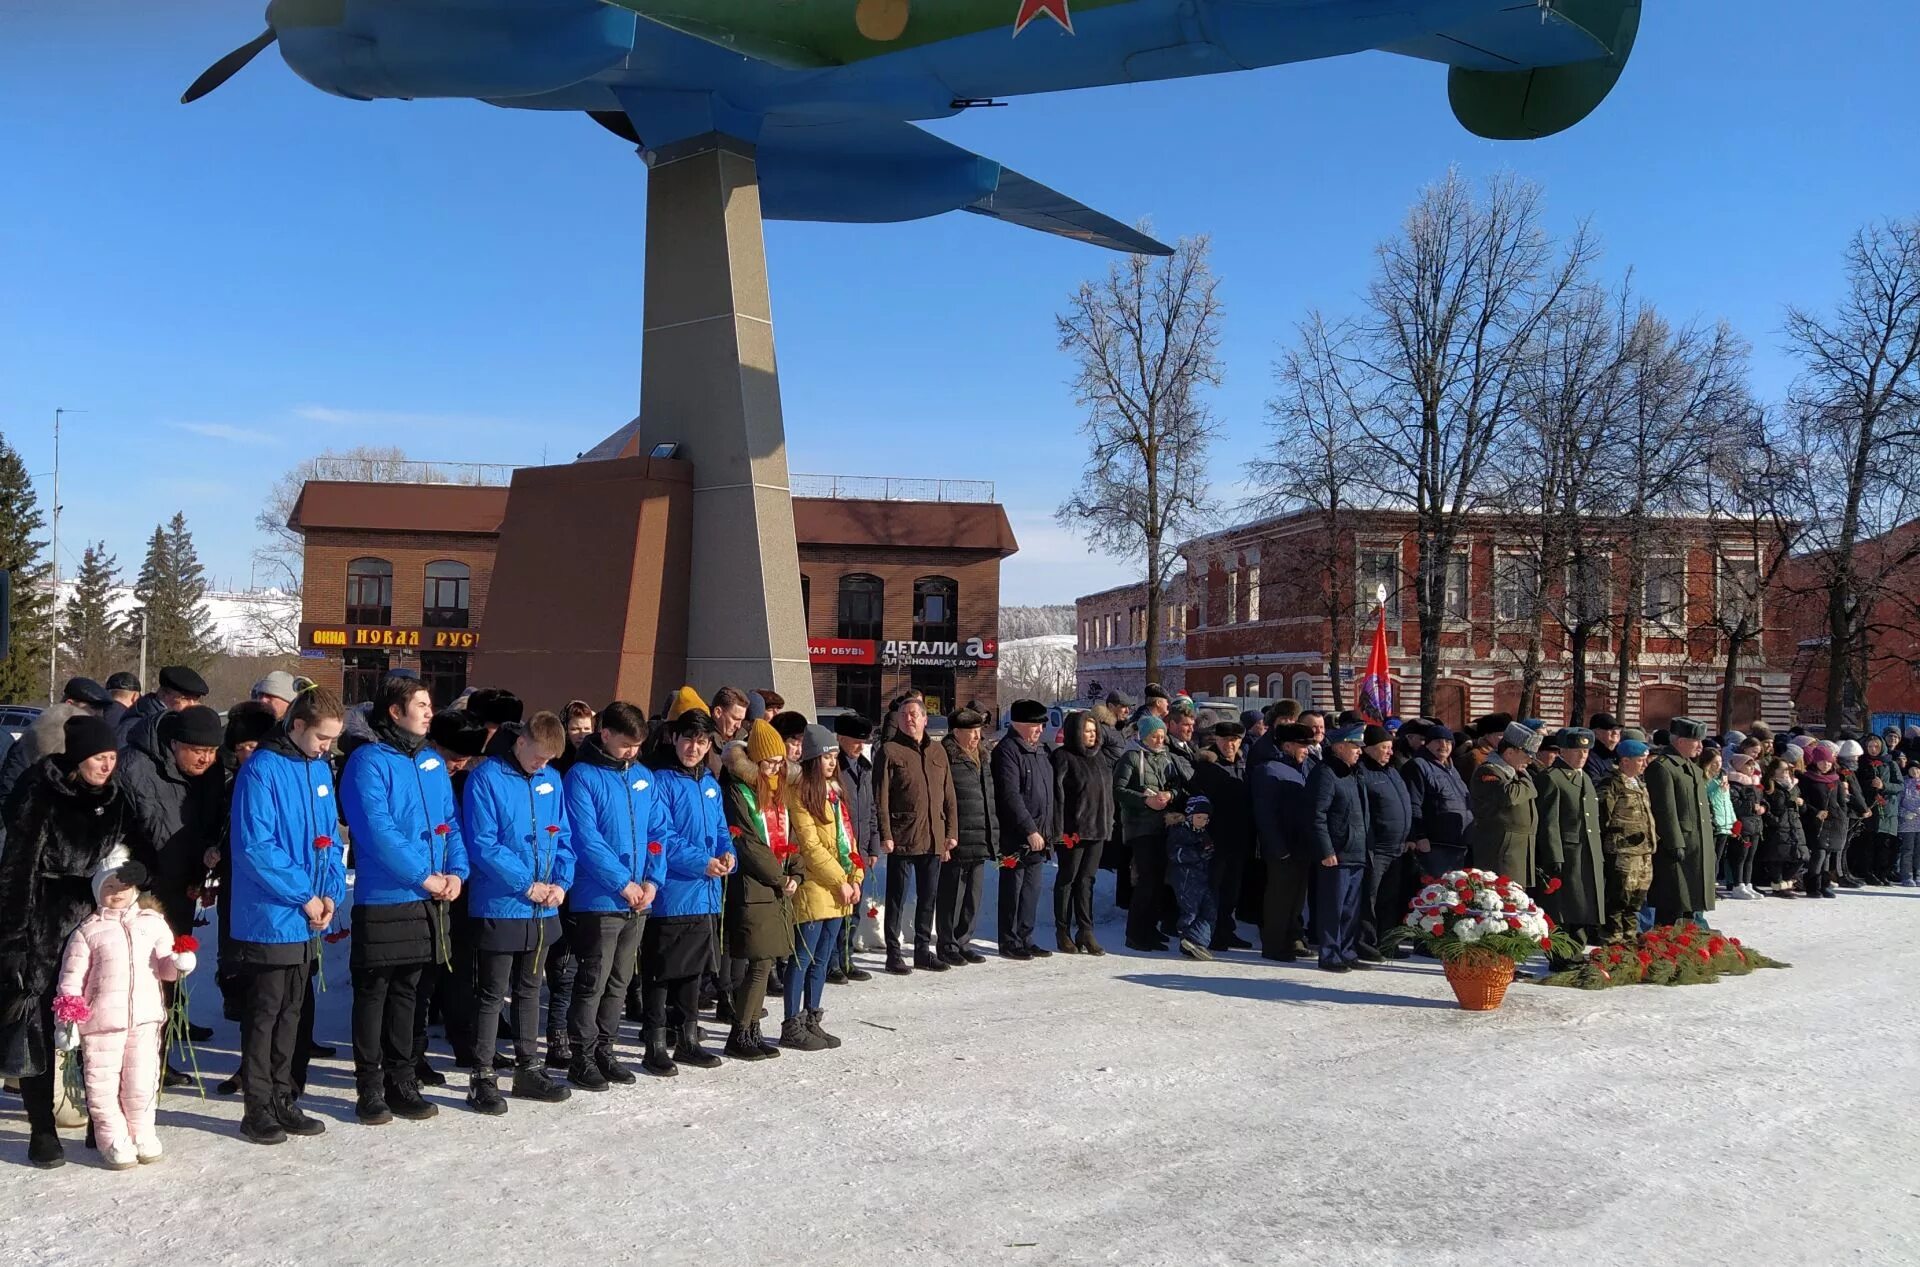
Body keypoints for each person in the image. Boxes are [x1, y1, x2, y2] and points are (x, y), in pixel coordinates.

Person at [0, 715, 139, 1168]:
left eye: (112, 758)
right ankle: (42, 1129)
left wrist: (137, 874)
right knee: (42, 1024)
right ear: (77, 759)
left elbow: (135, 849)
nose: (106, 766)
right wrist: (14, 941)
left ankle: (101, 1122)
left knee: (96, 1026)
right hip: (44, 918)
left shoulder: (116, 798)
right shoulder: (42, 792)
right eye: (99, 758)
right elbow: (16, 868)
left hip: (97, 920)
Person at [339, 675, 468, 1126]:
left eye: (430, 703)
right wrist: (425, 876)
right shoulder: (368, 762)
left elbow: (450, 823)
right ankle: (369, 1087)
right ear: (395, 712)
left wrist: (456, 871)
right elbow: (377, 831)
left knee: (409, 993)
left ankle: (402, 1078)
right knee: (375, 993)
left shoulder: (431, 761)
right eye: (421, 704)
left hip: (428, 898)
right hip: (385, 897)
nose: (430, 711)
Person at [227, 686, 348, 1146]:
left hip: (308, 914)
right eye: (321, 737)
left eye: (333, 740)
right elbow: (257, 846)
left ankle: (284, 1095)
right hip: (271, 915)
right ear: (296, 726)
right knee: (266, 1013)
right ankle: (257, 1105)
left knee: (293, 1012)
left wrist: (331, 893)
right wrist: (303, 894)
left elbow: (329, 840)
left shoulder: (317, 768)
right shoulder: (262, 770)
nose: (327, 747)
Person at [462, 710, 575, 1114]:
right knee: (493, 993)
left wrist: (561, 882)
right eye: (539, 756)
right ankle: (482, 1075)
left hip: (543, 906)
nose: (542, 765)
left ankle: (529, 1067)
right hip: (502, 901)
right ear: (522, 741)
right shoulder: (487, 777)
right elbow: (484, 843)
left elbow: (563, 835)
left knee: (530, 989)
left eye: (549, 760)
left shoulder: (551, 780)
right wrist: (525, 883)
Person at [52, 857, 195, 1169]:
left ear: (135, 888)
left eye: (122, 886)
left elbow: (166, 967)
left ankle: (142, 1131)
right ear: (97, 891)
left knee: (141, 1081)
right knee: (102, 1084)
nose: (116, 892)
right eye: (108, 887)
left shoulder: (152, 922)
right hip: (102, 1023)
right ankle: (112, 1136)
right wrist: (68, 1019)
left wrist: (180, 963)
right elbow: (71, 979)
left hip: (144, 1019)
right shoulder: (87, 932)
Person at [119, 702, 226, 1077]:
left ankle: (159, 1060)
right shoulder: (134, 766)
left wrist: (205, 869)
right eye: (198, 751)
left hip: (182, 887)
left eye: (212, 752)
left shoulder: (209, 774)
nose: (206, 759)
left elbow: (208, 825)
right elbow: (119, 829)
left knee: (171, 971)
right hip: (140, 891)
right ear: (175, 744)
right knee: (138, 981)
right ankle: (131, 1064)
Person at [559, 701, 660, 1087]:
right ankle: (581, 1055)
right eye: (625, 744)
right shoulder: (581, 777)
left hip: (638, 899)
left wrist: (652, 879)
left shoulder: (643, 777)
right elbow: (586, 840)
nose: (632, 752)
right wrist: (623, 882)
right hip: (599, 898)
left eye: (637, 745)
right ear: (605, 735)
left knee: (620, 979)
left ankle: (606, 1047)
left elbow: (657, 833)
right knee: (594, 980)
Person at [640, 707, 734, 1076]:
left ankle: (688, 1038)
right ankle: (655, 1043)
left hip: (705, 893)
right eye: (688, 739)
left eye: (701, 741)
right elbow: (663, 837)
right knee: (663, 971)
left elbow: (722, 828)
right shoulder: (660, 780)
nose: (694, 747)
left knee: (693, 971)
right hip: (672, 892)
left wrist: (728, 855)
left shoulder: (710, 782)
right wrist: (702, 862)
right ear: (674, 739)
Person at [412, 708, 490, 1084]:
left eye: (465, 758)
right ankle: (414, 1051)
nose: (458, 765)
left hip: (459, 885)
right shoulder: (419, 774)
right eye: (452, 757)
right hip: (419, 884)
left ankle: (465, 1039)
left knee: (460, 965)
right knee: (422, 976)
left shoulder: (467, 781)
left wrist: (458, 873)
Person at [784, 725, 862, 1053]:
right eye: (826, 757)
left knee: (823, 958)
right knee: (803, 957)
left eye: (834, 757)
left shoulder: (836, 794)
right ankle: (792, 1022)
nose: (832, 763)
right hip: (816, 888)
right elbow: (811, 846)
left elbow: (847, 839)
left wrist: (856, 876)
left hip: (839, 889)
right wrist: (840, 881)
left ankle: (813, 1018)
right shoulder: (801, 794)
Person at [719, 720, 795, 1058]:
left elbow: (789, 834)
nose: (776, 768)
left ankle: (750, 1027)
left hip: (775, 886)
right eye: (770, 762)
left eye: (780, 762)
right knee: (759, 962)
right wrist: (778, 877)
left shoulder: (778, 790)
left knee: (764, 963)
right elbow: (748, 842)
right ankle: (740, 1031)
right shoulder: (739, 788)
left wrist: (796, 871)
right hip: (753, 886)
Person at [874, 693, 956, 976]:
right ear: (897, 720)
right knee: (896, 897)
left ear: (925, 719)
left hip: (933, 836)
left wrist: (951, 833)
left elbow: (949, 796)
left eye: (914, 714)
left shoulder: (938, 752)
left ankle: (923, 950)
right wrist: (885, 833)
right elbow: (880, 797)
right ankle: (893, 953)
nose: (909, 719)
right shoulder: (889, 751)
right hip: (902, 836)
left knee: (928, 897)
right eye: (904, 715)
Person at [1115, 715, 1185, 953]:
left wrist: (1170, 795)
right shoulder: (1132, 757)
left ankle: (1150, 928)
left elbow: (1177, 784)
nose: (1158, 739)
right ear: (1142, 736)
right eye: (1154, 736)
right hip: (1140, 827)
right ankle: (1135, 932)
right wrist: (1146, 800)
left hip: (1162, 825)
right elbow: (1119, 790)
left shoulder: (1166, 757)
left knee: (1158, 881)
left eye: (1162, 736)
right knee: (1146, 880)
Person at [1534, 728, 1607, 959]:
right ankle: (1560, 955)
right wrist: (1554, 855)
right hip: (1567, 853)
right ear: (1563, 750)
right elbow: (1549, 822)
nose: (1582, 755)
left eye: (1585, 750)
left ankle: (1576, 950)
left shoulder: (1583, 777)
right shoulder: (1552, 778)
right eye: (1576, 750)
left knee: (1582, 905)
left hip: (1587, 851)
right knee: (1563, 907)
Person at [994, 699, 1056, 961]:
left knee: (1031, 889)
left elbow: (1048, 793)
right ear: (1019, 724)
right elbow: (1010, 796)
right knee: (1012, 888)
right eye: (1035, 725)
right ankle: (1009, 940)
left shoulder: (1040, 751)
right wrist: (1029, 829)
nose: (1040, 730)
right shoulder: (1007, 751)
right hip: (1015, 836)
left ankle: (1026, 936)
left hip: (1040, 835)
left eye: (1042, 725)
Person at [1307, 721, 1370, 973]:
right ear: (1341, 747)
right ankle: (1330, 954)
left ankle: (1347, 950)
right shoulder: (1326, 773)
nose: (1360, 751)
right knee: (1333, 906)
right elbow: (1317, 815)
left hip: (1357, 850)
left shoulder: (1353, 773)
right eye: (1356, 745)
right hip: (1337, 853)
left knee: (1351, 908)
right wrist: (1326, 850)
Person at [1249, 722, 1315, 961]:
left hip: (1301, 846)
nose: (1306, 750)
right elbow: (1265, 816)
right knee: (1279, 898)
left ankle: (1291, 938)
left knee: (1296, 898)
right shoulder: (1268, 770)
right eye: (1302, 746)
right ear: (1287, 746)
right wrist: (1278, 848)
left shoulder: (1302, 769)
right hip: (1282, 848)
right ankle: (1274, 945)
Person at [937, 706, 995, 967]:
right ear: (956, 732)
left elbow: (989, 798)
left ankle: (964, 941)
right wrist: (945, 836)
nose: (976, 736)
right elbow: (940, 801)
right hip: (957, 837)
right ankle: (947, 943)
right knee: (952, 895)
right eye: (971, 732)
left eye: (978, 731)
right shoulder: (946, 757)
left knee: (973, 895)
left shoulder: (982, 756)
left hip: (980, 835)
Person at [1188, 721, 1253, 952]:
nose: (1230, 744)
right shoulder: (1206, 767)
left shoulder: (1243, 765)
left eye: (1235, 740)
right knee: (1213, 888)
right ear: (1217, 740)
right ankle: (1211, 933)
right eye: (1226, 740)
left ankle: (1226, 929)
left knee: (1232, 889)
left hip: (1238, 838)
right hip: (1215, 838)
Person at [1051, 710, 1112, 956]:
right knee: (1067, 879)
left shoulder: (1100, 758)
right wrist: (1058, 831)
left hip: (1097, 829)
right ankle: (1062, 931)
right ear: (1076, 732)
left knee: (1087, 880)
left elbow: (1106, 794)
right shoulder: (1062, 757)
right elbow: (1057, 798)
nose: (1091, 735)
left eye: (1094, 731)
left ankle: (1085, 930)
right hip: (1072, 831)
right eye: (1087, 731)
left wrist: (1110, 820)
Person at [1645, 718, 1717, 925]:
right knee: (1673, 903)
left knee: (1690, 903)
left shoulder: (1691, 768)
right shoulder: (1663, 767)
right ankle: (1669, 947)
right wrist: (1674, 842)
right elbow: (1665, 810)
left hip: (1696, 844)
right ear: (1680, 741)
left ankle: (1687, 945)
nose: (1701, 747)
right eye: (1696, 741)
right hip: (1678, 847)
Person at [0, 676, 108, 808]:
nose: (98, 716)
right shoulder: (34, 741)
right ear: (69, 704)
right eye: (92, 708)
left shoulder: (92, 744)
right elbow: (10, 795)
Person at [1354, 724, 1412, 963]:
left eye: (1391, 747)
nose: (1390, 752)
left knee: (1389, 898)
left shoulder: (1392, 771)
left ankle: (1387, 942)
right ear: (1367, 749)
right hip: (1375, 848)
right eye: (1384, 747)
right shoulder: (1362, 773)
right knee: (1370, 898)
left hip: (1397, 847)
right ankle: (1365, 943)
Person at [830, 714, 879, 982]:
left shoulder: (865, 768)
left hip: (858, 848)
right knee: (838, 908)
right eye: (856, 741)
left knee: (855, 909)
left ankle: (847, 958)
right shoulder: (834, 767)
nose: (861, 746)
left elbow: (871, 809)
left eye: (864, 741)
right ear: (841, 738)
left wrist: (873, 846)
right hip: (839, 847)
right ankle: (832, 963)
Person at [1596, 738, 1657, 942]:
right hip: (1623, 851)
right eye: (1641, 760)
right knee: (1619, 897)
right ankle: (1613, 937)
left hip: (1643, 850)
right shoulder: (1612, 783)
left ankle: (1629, 936)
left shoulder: (1639, 783)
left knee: (1636, 898)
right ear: (1625, 761)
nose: (1645, 765)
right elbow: (1603, 816)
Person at [1468, 723, 1541, 885]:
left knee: (1517, 901)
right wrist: (1528, 784)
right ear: (1509, 752)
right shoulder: (1488, 771)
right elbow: (1509, 796)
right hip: (1501, 851)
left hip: (1518, 849)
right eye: (1526, 754)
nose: (1530, 760)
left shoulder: (1515, 774)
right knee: (1503, 898)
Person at [1402, 723, 1473, 882]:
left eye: (1448, 742)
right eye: (1438, 741)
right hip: (1434, 845)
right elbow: (1413, 803)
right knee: (1435, 894)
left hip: (1458, 845)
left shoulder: (1452, 769)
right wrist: (1419, 836)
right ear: (1427, 743)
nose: (1444, 746)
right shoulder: (1418, 765)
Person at [1166, 794, 1216, 960]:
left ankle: (1199, 941)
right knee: (1190, 910)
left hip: (1201, 878)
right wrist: (1198, 854)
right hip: (1185, 878)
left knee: (1209, 908)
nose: (1202, 821)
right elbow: (1176, 854)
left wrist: (1208, 852)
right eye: (1199, 817)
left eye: (1206, 819)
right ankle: (1187, 939)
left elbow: (1206, 852)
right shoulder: (1180, 831)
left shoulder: (1203, 833)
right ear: (1190, 815)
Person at [114, 665, 210, 751]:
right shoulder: (134, 727)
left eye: (196, 700)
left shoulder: (179, 725)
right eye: (186, 699)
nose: (192, 705)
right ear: (165, 695)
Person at [1797, 742, 1847, 901]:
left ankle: (1824, 884)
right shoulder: (1807, 779)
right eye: (1822, 761)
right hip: (1815, 821)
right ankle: (1812, 885)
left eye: (1828, 761)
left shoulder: (1836, 779)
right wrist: (1815, 812)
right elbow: (1804, 801)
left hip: (1834, 821)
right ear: (1815, 761)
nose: (1825, 765)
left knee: (1827, 854)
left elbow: (1841, 801)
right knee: (1819, 853)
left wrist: (1841, 814)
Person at [1760, 756, 1808, 897]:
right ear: (1774, 771)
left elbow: (1802, 810)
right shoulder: (1770, 786)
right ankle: (1778, 884)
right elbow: (1767, 806)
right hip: (1778, 827)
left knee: (1802, 856)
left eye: (1787, 769)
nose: (1786, 772)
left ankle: (1786, 881)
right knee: (1777, 857)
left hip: (1794, 825)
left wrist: (1802, 804)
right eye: (1782, 769)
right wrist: (1774, 821)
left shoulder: (1794, 786)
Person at [1724, 752, 1765, 899]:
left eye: (1753, 765)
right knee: (1740, 856)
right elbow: (1735, 804)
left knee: (1750, 857)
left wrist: (1763, 808)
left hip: (1755, 825)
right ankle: (1737, 884)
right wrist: (1751, 805)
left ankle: (1748, 883)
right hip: (1742, 825)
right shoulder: (1734, 784)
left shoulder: (1755, 784)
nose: (1751, 768)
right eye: (1748, 765)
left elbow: (1763, 800)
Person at [1897, 762, 1920, 886]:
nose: (1915, 772)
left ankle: (1918, 875)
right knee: (1908, 849)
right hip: (1908, 823)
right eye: (1912, 769)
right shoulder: (1904, 783)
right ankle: (1907, 875)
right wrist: (1905, 813)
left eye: (1917, 769)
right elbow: (1898, 803)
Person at [1586, 714, 1623, 786]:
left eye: (1617, 728)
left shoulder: (1622, 752)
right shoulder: (1590, 757)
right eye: (1610, 729)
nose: (1615, 732)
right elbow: (1595, 784)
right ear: (1596, 733)